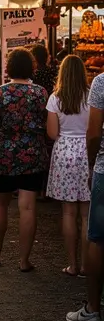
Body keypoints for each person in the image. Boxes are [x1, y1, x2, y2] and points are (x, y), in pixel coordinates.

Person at [0, 48, 49, 272]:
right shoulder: (40, 93)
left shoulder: (0, 93)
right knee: (28, 208)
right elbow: (46, 124)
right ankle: (24, 260)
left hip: (3, 155)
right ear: (31, 67)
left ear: (9, 67)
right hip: (33, 155)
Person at [46, 55, 92, 277]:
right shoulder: (91, 96)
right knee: (87, 215)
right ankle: (87, 266)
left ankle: (72, 265)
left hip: (64, 152)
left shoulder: (55, 98)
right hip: (88, 152)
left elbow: (52, 133)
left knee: (68, 212)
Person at [67, 69, 104, 321]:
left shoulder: (101, 82)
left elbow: (93, 133)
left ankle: (92, 309)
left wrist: (91, 164)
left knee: (98, 239)